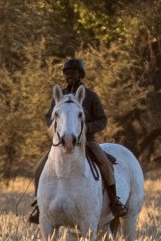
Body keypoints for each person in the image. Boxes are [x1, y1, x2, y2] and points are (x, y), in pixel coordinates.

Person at [28, 58, 128, 224]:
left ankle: (114, 201)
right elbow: (49, 117)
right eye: (67, 73)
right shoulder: (59, 97)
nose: (70, 76)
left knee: (105, 163)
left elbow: (102, 120)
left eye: (73, 73)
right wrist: (56, 129)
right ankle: (40, 206)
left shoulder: (90, 96)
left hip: (86, 141)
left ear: (80, 74)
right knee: (38, 168)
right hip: (62, 141)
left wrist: (86, 128)